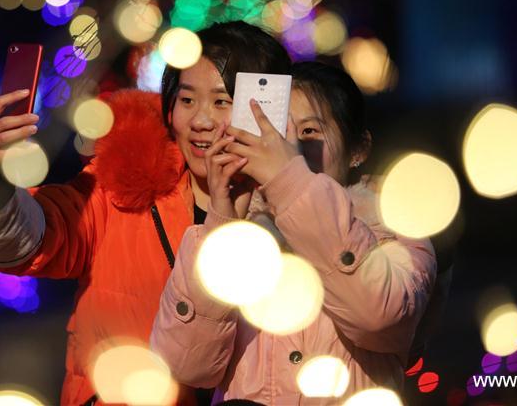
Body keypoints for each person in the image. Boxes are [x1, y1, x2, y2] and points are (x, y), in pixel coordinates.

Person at [0, 21, 291, 405]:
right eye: (187, 100)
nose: (200, 121)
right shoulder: (125, 183)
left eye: (222, 102)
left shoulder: (296, 210)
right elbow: (31, 242)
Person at [150, 61, 437, 404]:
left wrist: (290, 182)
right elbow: (185, 366)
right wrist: (222, 224)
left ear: (358, 150)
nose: (290, 147)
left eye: (309, 131)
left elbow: (378, 317)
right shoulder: (245, 233)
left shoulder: (392, 228)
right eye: (279, 131)